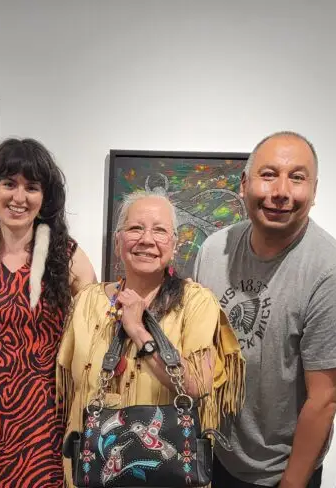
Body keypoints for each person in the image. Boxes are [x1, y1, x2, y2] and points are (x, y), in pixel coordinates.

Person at [192, 131, 336, 488]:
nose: (281, 191)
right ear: (244, 184)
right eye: (268, 174)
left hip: (279, 473)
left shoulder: (331, 273)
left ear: (314, 191)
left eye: (297, 177)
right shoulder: (213, 250)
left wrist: (293, 483)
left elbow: (325, 399)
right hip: (214, 457)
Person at [57, 191, 245, 488]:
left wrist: (139, 331)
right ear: (118, 240)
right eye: (135, 228)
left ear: (174, 244)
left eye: (159, 230)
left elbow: (196, 385)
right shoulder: (87, 302)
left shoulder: (195, 302)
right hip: (93, 471)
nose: (146, 239)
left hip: (169, 475)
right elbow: (70, 393)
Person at [0, 138, 97, 488]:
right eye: (9, 184)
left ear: (45, 198)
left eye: (32, 187)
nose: (19, 197)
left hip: (41, 422)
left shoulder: (68, 257)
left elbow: (94, 332)